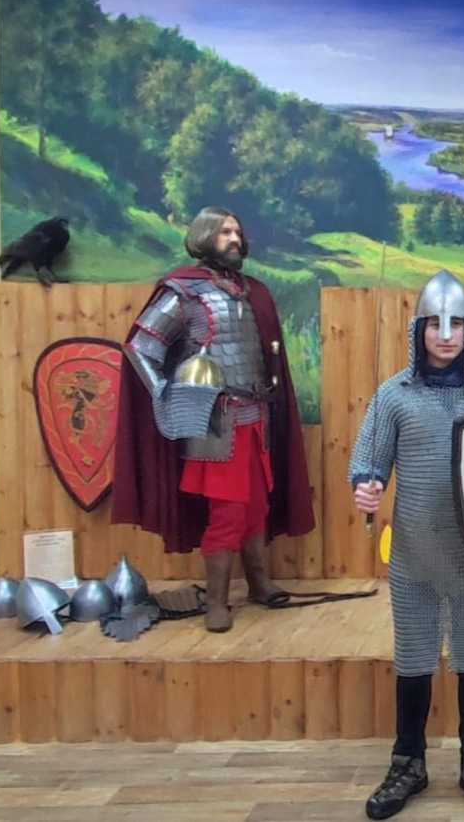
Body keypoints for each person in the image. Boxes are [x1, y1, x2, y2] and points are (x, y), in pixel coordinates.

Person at [350, 269, 464, 819]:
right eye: (435, 324)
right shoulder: (395, 395)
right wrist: (366, 484)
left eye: (456, 324)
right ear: (418, 330)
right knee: (415, 659)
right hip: (416, 551)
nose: (446, 335)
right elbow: (369, 459)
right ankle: (408, 762)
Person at [112, 206, 315, 632]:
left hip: (257, 415)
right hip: (216, 419)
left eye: (237, 231)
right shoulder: (184, 291)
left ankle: (258, 583)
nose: (234, 238)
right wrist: (165, 391)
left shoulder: (251, 291)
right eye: (224, 232)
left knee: (256, 505)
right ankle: (217, 602)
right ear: (204, 236)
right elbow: (141, 347)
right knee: (227, 512)